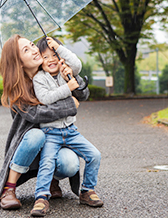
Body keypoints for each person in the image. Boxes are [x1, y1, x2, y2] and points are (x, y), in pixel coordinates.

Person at [0, 34, 88, 211]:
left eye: (31, 44)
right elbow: (37, 115)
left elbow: (82, 94)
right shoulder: (17, 90)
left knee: (70, 164)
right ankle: (8, 188)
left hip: (56, 139)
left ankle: (51, 180)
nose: (35, 50)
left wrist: (70, 75)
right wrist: (70, 104)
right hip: (30, 145)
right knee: (37, 135)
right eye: (26, 50)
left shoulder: (50, 71)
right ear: (18, 62)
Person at [30, 36, 103, 217]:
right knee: (46, 163)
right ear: (40, 61)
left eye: (54, 53)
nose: (51, 59)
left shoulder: (66, 71)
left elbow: (77, 65)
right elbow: (45, 99)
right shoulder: (39, 78)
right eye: (45, 57)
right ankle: (41, 197)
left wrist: (62, 54)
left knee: (94, 155)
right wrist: (68, 87)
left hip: (70, 130)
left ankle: (87, 190)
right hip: (50, 132)